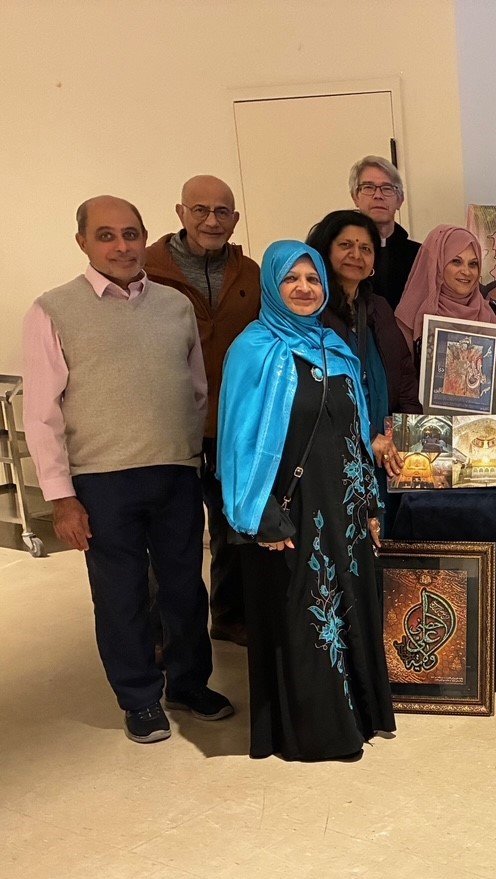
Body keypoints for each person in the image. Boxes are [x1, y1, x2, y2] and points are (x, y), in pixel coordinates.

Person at [21, 196, 233, 744]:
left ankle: (189, 684)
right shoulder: (53, 310)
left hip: (174, 472)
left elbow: (195, 390)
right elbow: (41, 414)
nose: (122, 246)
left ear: (145, 237)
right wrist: (61, 498)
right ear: (83, 242)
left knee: (185, 588)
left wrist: (187, 454)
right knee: (121, 595)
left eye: (131, 234)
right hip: (100, 480)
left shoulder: (174, 306)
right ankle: (139, 698)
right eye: (107, 235)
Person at [218, 241, 397, 761]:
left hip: (343, 507)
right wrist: (262, 517)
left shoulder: (332, 345)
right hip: (289, 510)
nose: (303, 288)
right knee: (305, 616)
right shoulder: (253, 350)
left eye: (312, 279)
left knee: (349, 608)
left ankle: (357, 717)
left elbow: (355, 434)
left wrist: (370, 506)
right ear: (272, 287)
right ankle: (316, 732)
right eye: (291, 279)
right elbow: (237, 442)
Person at [144, 175, 261, 644]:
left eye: (222, 212)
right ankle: (161, 633)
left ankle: (229, 615)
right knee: (171, 533)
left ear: (235, 219)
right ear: (180, 213)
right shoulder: (147, 270)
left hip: (232, 423)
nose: (212, 221)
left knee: (233, 524)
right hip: (168, 424)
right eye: (200, 210)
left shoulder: (250, 273)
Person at [306, 210, 418, 507]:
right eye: (346, 245)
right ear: (326, 251)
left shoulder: (379, 308)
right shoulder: (312, 312)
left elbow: (403, 372)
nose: (356, 255)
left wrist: (409, 432)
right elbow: (314, 392)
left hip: (385, 450)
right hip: (334, 450)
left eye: (365, 248)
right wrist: (366, 436)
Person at [394, 224, 496, 399]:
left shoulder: (490, 313)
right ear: (438, 264)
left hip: (482, 416)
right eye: (456, 261)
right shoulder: (411, 316)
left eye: (473, 264)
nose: (466, 271)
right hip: (424, 415)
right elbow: (400, 380)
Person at [350, 155, 420, 310]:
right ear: (355, 197)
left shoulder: (420, 256)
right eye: (368, 187)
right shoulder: (343, 254)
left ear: (400, 200)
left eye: (387, 188)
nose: (378, 195)